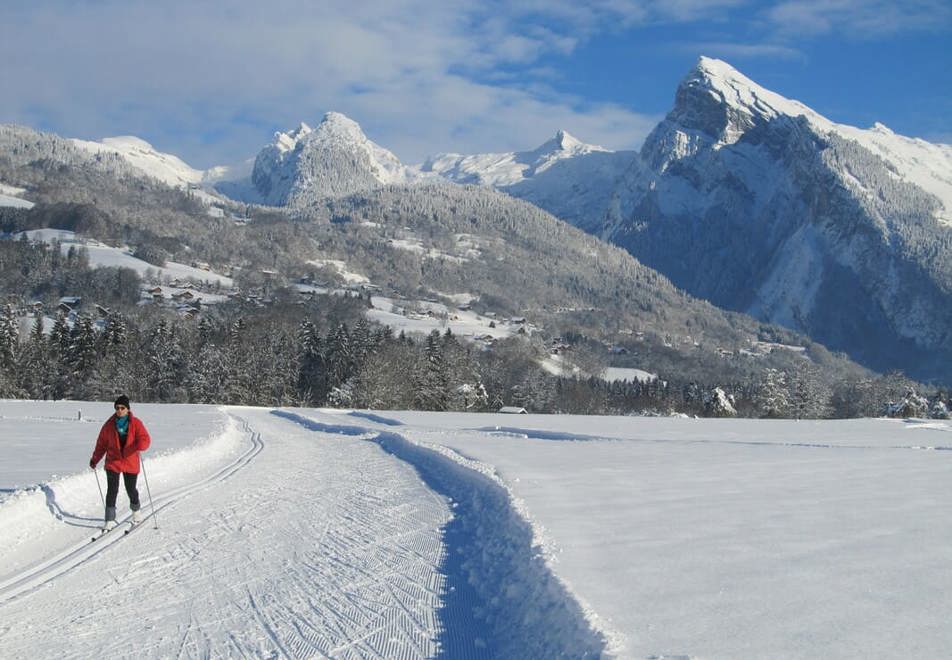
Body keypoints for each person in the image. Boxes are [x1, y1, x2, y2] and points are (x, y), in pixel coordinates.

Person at [89, 395, 151, 530]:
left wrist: (141, 444)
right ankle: (109, 519)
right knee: (112, 490)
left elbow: (145, 438)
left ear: (128, 409)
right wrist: (95, 459)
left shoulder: (136, 423)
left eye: (122, 408)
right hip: (113, 461)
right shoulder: (109, 425)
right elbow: (101, 444)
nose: (120, 410)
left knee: (131, 489)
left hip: (130, 461)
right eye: (117, 408)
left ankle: (136, 511)